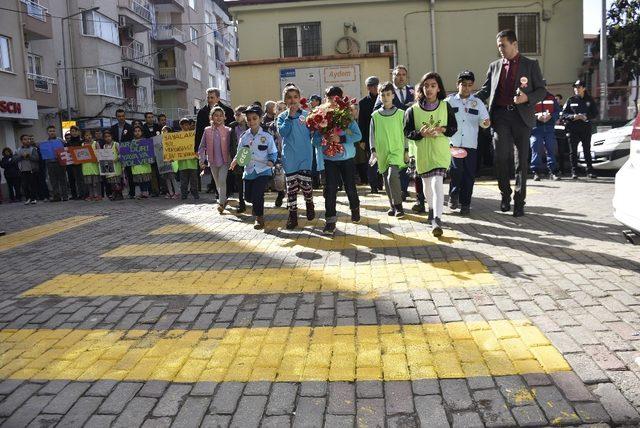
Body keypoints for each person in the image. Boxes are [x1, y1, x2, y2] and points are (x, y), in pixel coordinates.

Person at [475, 29, 547, 217]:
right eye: (498, 46)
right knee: (500, 158)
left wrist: (527, 98)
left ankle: (519, 201)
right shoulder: (495, 66)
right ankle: (505, 195)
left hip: (521, 118)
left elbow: (541, 91)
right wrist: (467, 98)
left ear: (514, 44)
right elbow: (486, 89)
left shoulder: (531, 65)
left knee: (521, 161)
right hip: (500, 117)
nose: (500, 49)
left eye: (503, 45)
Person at [404, 72, 458, 237]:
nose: (429, 89)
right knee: (427, 187)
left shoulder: (445, 106)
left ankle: (437, 220)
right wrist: (420, 133)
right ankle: (431, 208)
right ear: (421, 88)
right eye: (426, 86)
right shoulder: (412, 110)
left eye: (433, 85)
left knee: (437, 183)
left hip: (440, 152)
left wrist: (443, 129)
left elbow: (453, 128)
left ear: (438, 88)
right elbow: (407, 132)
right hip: (423, 154)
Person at [318, 86, 363, 236]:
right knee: (330, 190)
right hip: (329, 159)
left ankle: (355, 208)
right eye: (329, 99)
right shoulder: (320, 116)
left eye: (335, 99)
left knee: (350, 186)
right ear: (325, 100)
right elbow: (314, 141)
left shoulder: (346, 116)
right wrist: (323, 137)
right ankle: (330, 221)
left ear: (341, 100)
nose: (332, 102)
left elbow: (357, 135)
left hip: (346, 158)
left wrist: (341, 138)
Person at [445, 71, 491, 216]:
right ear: (457, 85)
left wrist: (485, 123)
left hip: (471, 144)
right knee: (456, 171)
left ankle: (466, 203)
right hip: (455, 143)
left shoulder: (477, 103)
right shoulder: (449, 102)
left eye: (469, 85)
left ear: (473, 86)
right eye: (463, 85)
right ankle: (454, 195)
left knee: (469, 175)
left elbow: (484, 121)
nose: (466, 88)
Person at [230, 105, 278, 230]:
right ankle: (256, 207)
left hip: (263, 170)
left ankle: (259, 218)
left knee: (258, 194)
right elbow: (240, 152)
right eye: (249, 119)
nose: (251, 121)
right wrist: (235, 161)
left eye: (254, 118)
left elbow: (273, 152)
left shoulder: (267, 136)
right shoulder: (244, 136)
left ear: (260, 119)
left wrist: (271, 161)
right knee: (248, 197)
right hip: (249, 170)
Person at [277, 84, 315, 229]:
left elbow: (314, 131)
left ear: (299, 98)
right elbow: (283, 133)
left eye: (295, 97)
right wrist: (289, 117)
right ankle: (293, 216)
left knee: (306, 185)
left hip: (305, 156)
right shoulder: (281, 117)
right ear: (285, 100)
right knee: (291, 189)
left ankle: (309, 202)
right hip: (290, 157)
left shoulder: (306, 115)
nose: (292, 100)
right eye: (289, 97)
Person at [370, 81, 408, 217]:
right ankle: (392, 206)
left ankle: (399, 207)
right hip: (382, 151)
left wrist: (406, 150)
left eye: (388, 94)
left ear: (393, 95)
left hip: (397, 150)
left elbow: (406, 134)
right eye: (383, 94)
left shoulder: (401, 114)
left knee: (393, 176)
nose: (385, 97)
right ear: (379, 96)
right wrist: (373, 151)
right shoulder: (375, 116)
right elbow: (372, 135)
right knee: (386, 179)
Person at [198, 107, 235, 213]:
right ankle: (223, 199)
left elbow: (232, 146)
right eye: (216, 115)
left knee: (222, 180)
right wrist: (202, 159)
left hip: (225, 161)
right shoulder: (207, 130)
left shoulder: (228, 130)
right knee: (218, 183)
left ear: (224, 117)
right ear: (211, 117)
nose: (218, 117)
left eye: (220, 115)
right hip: (213, 161)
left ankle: (221, 203)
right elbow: (201, 147)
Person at [561, 79, 598, 179]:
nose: (576, 89)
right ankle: (574, 172)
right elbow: (563, 114)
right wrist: (573, 117)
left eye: (579, 87)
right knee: (573, 151)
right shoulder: (571, 100)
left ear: (584, 88)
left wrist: (586, 117)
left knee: (587, 150)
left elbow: (595, 113)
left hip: (585, 128)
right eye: (575, 87)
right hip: (573, 129)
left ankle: (589, 171)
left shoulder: (590, 100)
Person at [359, 76, 383, 194]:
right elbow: (362, 122)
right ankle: (373, 185)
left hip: (384, 135)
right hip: (369, 136)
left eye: (375, 85)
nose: (373, 88)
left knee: (383, 160)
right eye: (370, 86)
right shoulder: (363, 102)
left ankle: (380, 182)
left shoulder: (384, 99)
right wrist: (362, 140)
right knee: (372, 161)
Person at [530, 91, 562, 181]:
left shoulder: (551, 97)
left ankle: (553, 172)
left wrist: (551, 116)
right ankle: (536, 172)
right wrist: (537, 116)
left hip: (549, 128)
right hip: (536, 128)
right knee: (536, 148)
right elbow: (527, 111)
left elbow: (557, 111)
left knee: (551, 149)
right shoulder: (532, 96)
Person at [110, 109, 135, 198]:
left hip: (127, 153)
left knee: (129, 173)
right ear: (116, 117)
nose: (121, 118)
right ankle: (119, 193)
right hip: (116, 153)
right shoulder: (113, 128)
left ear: (125, 116)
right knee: (117, 173)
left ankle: (132, 193)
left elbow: (132, 140)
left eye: (122, 116)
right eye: (119, 116)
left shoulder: (130, 127)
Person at [229, 106, 248, 213]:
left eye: (238, 114)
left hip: (250, 157)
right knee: (239, 181)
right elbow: (230, 144)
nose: (236, 116)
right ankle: (241, 203)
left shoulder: (250, 127)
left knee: (250, 181)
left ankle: (252, 200)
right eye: (235, 114)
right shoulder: (232, 127)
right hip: (237, 157)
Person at [44, 126, 69, 202]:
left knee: (63, 179)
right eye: (50, 131)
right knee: (53, 180)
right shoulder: (45, 142)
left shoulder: (61, 141)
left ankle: (65, 196)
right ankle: (56, 196)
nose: (52, 132)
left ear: (56, 132)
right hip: (50, 163)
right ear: (47, 132)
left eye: (53, 131)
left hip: (60, 162)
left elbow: (67, 148)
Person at [14, 135, 39, 205]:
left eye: (28, 139)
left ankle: (33, 199)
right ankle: (28, 198)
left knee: (32, 185)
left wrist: (28, 156)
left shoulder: (33, 149)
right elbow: (14, 159)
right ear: (21, 141)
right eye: (25, 139)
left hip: (31, 169)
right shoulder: (18, 150)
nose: (27, 140)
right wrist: (21, 156)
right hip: (22, 170)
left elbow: (37, 158)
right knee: (25, 185)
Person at [178, 118, 199, 200]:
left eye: (187, 125)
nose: (186, 126)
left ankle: (195, 193)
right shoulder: (178, 136)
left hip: (192, 161)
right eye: (184, 125)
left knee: (194, 180)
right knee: (183, 180)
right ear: (181, 126)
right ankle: (184, 194)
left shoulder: (193, 135)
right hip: (182, 163)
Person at [101, 130, 124, 201]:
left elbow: (121, 153)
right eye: (106, 137)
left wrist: (116, 159)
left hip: (116, 165)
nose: (107, 138)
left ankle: (119, 194)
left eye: (109, 136)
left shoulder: (116, 144)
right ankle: (115, 193)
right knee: (112, 182)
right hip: (109, 167)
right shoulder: (104, 146)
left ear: (111, 137)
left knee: (117, 181)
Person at [130, 125, 152, 199]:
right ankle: (141, 192)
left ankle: (145, 192)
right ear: (133, 133)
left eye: (139, 131)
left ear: (142, 132)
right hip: (136, 165)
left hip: (145, 164)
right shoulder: (131, 142)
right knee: (139, 180)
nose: (137, 133)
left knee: (145, 179)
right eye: (135, 131)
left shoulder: (146, 141)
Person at [80, 130, 101, 201]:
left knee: (96, 182)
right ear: (84, 137)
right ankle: (91, 195)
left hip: (94, 165)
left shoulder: (95, 143)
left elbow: (99, 153)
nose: (88, 137)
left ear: (92, 136)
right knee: (89, 183)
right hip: (86, 166)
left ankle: (98, 195)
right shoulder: (82, 145)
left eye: (89, 135)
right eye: (86, 135)